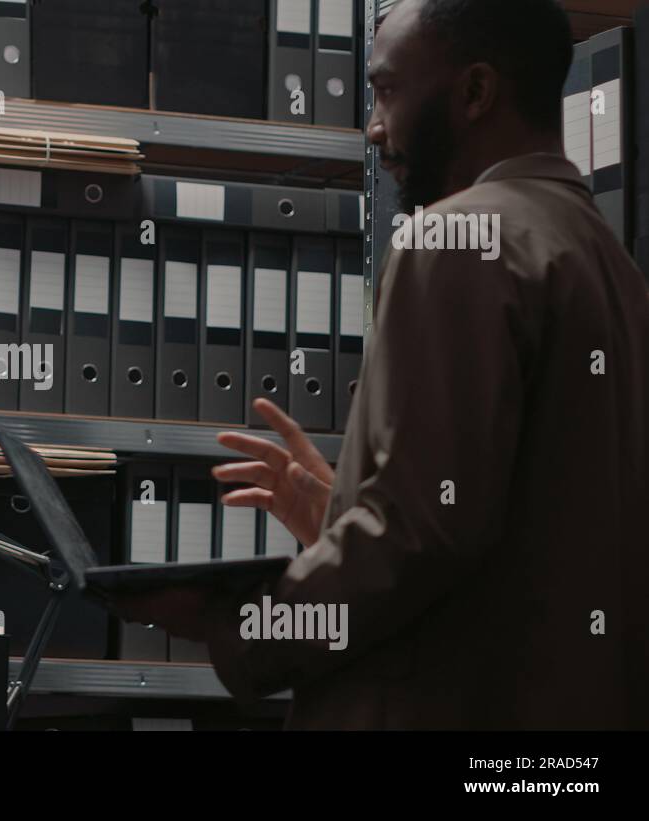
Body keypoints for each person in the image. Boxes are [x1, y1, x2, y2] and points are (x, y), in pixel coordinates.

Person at [115, 0, 649, 729]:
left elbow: (419, 535)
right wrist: (339, 514)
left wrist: (243, 629)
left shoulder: (459, 238)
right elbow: (509, 520)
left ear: (474, 93)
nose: (373, 126)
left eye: (388, 90)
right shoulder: (609, 262)